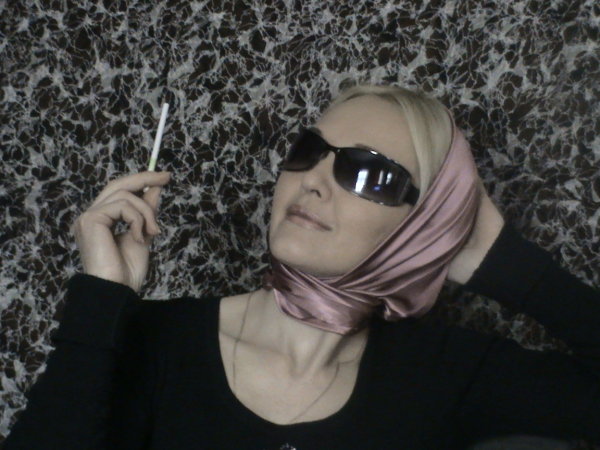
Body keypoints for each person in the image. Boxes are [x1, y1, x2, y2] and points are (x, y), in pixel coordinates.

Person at [3, 84, 599, 449]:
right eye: (309, 151)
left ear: (425, 224)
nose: (313, 179)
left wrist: (506, 263)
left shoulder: (444, 372)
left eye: (368, 173)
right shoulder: (155, 339)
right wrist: (100, 298)